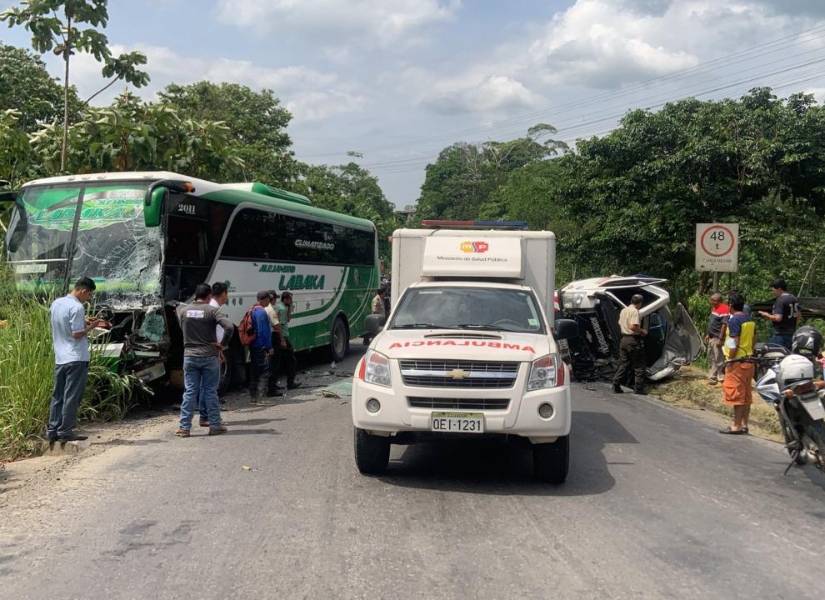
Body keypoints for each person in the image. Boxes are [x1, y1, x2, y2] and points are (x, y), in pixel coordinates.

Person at [46, 277, 109, 442]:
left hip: (60, 357)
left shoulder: (56, 304)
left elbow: (64, 323)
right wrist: (92, 326)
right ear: (84, 291)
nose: (88, 299)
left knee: (58, 395)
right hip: (76, 358)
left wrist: (83, 321)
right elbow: (77, 334)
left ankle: (52, 430)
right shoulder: (77, 307)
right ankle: (65, 431)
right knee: (72, 396)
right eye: (89, 295)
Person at [175, 283, 235, 437]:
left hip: (189, 356)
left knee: (190, 391)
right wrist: (222, 345)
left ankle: (184, 428)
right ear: (209, 296)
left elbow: (178, 316)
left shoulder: (183, 311)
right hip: (209, 356)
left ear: (196, 295)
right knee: (210, 391)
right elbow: (229, 327)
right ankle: (215, 426)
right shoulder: (212, 311)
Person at [720, 293, 756, 434]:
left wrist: (730, 359)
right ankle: (745, 424)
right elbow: (753, 340)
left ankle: (736, 426)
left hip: (737, 362)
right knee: (746, 395)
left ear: (730, 305)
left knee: (736, 394)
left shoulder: (734, 320)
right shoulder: (750, 320)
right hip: (749, 360)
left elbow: (733, 342)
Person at [197, 281, 230, 427]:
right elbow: (220, 331)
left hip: (206, 351)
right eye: (226, 294)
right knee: (210, 387)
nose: (227, 297)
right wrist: (220, 349)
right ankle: (208, 417)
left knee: (205, 386)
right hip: (211, 352)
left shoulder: (209, 307)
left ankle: (205, 416)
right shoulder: (213, 309)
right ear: (223, 294)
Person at [612, 294, 647, 395]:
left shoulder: (624, 310)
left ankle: (616, 384)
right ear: (640, 303)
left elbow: (620, 323)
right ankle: (639, 389)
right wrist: (642, 331)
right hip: (633, 340)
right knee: (639, 364)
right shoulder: (634, 311)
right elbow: (633, 326)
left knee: (624, 364)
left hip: (623, 340)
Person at [246, 290, 275, 401]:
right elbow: (264, 332)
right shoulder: (262, 312)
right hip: (261, 346)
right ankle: (260, 397)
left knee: (254, 370)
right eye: (269, 298)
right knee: (265, 371)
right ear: (265, 299)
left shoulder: (252, 310)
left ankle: (253, 396)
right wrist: (269, 347)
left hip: (253, 345)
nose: (270, 301)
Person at [758, 279, 799, 350]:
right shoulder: (794, 299)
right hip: (792, 334)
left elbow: (778, 318)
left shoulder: (780, 300)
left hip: (780, 335)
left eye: (773, 290)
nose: (772, 292)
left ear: (779, 289)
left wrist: (766, 315)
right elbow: (798, 316)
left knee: (771, 354)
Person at [275, 291, 300, 390]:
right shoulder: (282, 309)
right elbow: (280, 325)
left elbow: (288, 319)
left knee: (278, 361)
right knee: (291, 360)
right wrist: (282, 339)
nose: (291, 301)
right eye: (290, 299)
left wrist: (290, 307)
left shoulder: (282, 306)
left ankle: (274, 384)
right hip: (282, 336)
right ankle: (290, 383)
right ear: (285, 299)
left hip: (281, 336)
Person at [705, 293, 730, 385]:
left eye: (713, 300)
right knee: (712, 357)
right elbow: (712, 322)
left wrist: (720, 338)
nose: (711, 302)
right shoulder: (714, 308)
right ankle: (713, 376)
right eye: (711, 300)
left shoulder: (725, 309)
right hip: (712, 336)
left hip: (717, 337)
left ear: (719, 301)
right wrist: (708, 333)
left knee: (718, 357)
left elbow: (724, 325)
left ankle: (720, 376)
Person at [264, 290, 283, 398]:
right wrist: (282, 339)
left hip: (267, 337)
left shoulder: (263, 308)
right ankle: (272, 389)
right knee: (274, 364)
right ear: (273, 299)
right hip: (273, 337)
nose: (276, 300)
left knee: (270, 363)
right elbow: (276, 326)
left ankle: (272, 386)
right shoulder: (270, 310)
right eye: (275, 298)